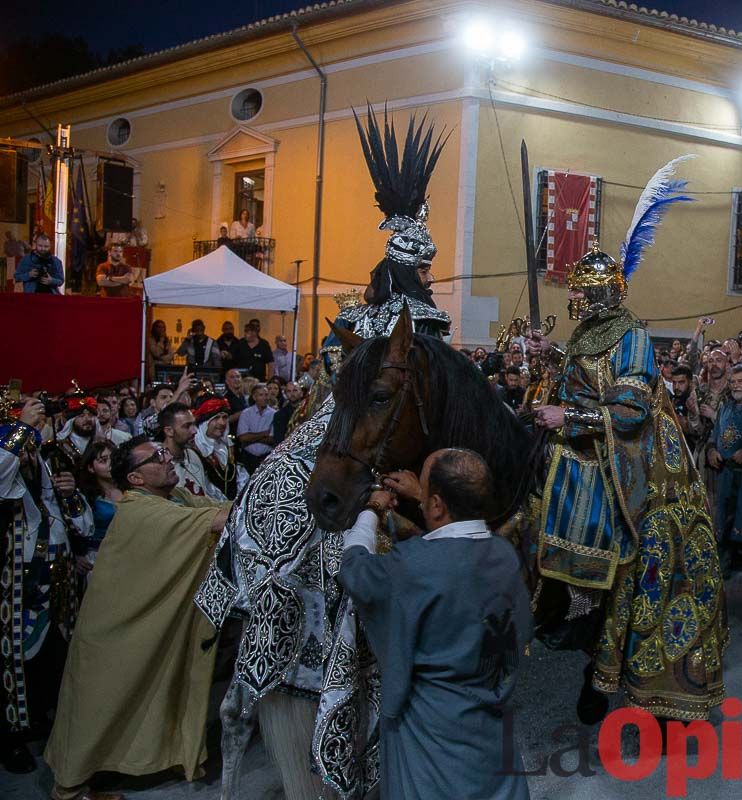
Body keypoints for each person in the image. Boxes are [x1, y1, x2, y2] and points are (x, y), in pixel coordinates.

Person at [195, 111, 459, 798]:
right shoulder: (417, 326)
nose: (430, 270)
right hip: (345, 435)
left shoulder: (360, 319)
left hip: (327, 428)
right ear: (408, 264)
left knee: (291, 478)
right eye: (424, 261)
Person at [524, 157, 726, 728]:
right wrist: (556, 357)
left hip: (638, 467)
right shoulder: (590, 332)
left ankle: (641, 686)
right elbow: (591, 372)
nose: (580, 303)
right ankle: (587, 651)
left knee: (642, 574)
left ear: (606, 294)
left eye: (588, 293)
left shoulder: (633, 333)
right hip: (593, 465)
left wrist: (567, 415)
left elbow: (631, 408)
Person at [44, 436, 231, 800]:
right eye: (157, 457)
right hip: (113, 638)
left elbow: (217, 506)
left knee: (137, 702)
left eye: (164, 451)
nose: (168, 458)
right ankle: (68, 788)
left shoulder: (173, 498)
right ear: (135, 479)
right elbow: (221, 520)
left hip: (138, 631)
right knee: (99, 708)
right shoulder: (139, 510)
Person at [338, 449, 531, 800]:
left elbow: (353, 568)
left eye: (425, 493)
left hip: (430, 740)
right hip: (489, 731)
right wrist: (424, 495)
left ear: (438, 505)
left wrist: (372, 510)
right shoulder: (505, 554)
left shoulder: (415, 564)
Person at [0, 397, 92, 775]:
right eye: (23, 445)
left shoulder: (46, 462)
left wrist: (70, 495)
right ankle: (10, 739)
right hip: (14, 584)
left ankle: (44, 722)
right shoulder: (9, 471)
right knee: (12, 663)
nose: (28, 453)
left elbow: (77, 523)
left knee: (53, 654)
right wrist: (21, 425)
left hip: (57, 577)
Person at [707, 365, 742, 573]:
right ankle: (725, 556)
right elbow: (715, 435)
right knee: (724, 516)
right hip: (726, 472)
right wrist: (712, 450)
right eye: (732, 382)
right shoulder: (725, 408)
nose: (736, 386)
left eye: (740, 381)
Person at [74, 440, 122, 581]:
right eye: (103, 460)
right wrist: (77, 555)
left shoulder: (131, 488)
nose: (110, 464)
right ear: (90, 467)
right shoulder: (85, 496)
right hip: (98, 559)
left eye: (113, 458)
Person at [158, 402, 225, 500]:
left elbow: (206, 492)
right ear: (169, 431)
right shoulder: (157, 463)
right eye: (187, 426)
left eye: (194, 424)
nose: (195, 431)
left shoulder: (193, 454)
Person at [192, 394, 241, 500]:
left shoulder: (229, 446)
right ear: (204, 423)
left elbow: (240, 478)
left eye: (224, 417)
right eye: (216, 418)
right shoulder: (195, 450)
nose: (222, 423)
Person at [235, 384, 274, 474]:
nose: (264, 398)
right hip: (248, 458)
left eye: (266, 395)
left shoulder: (274, 414)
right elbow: (243, 438)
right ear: (254, 397)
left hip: (267, 457)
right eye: (261, 395)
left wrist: (251, 437)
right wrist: (264, 434)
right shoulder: (246, 414)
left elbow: (272, 439)